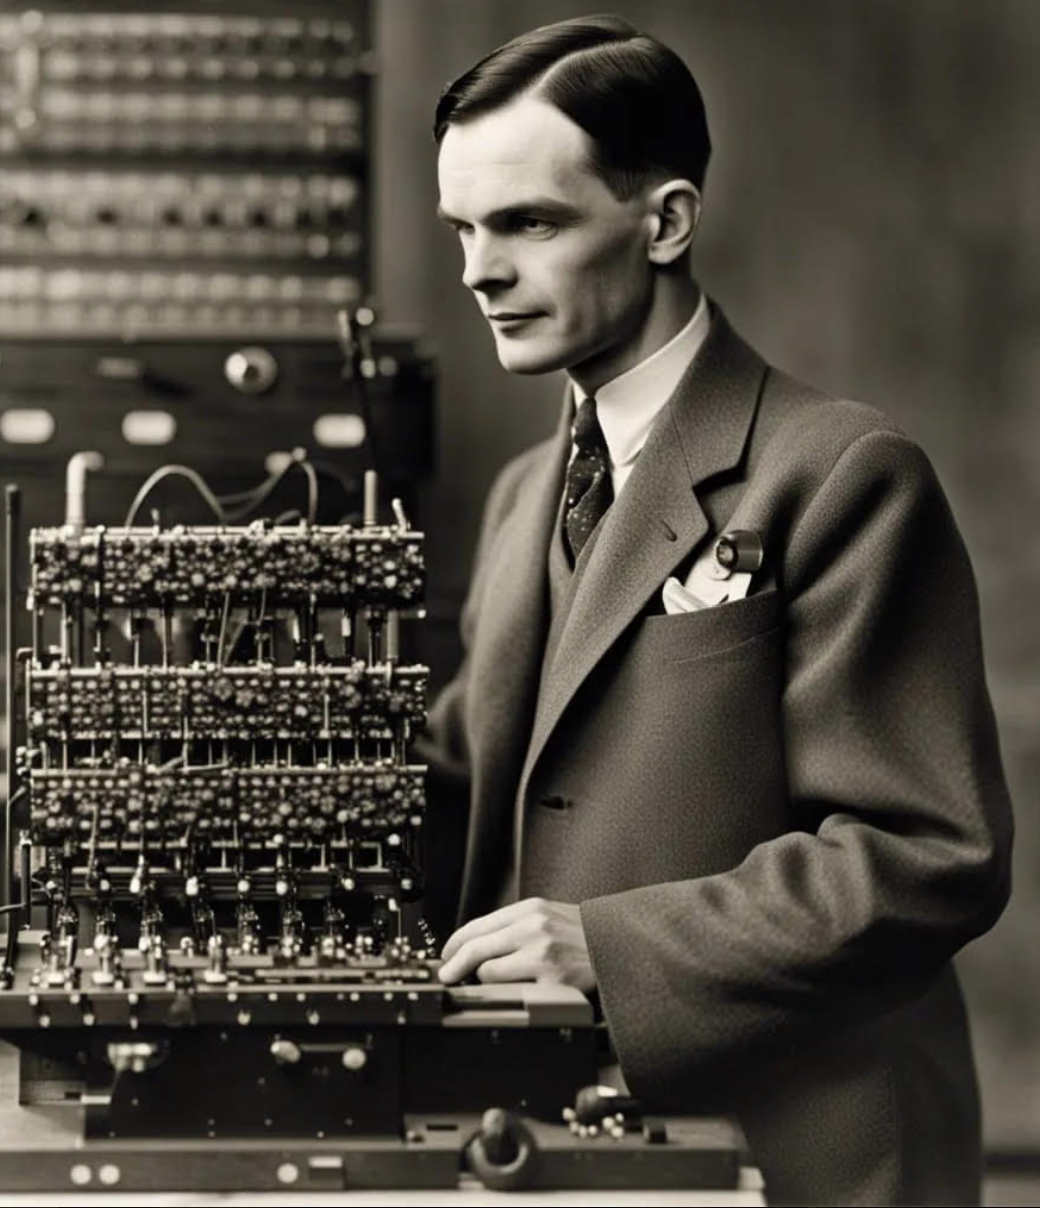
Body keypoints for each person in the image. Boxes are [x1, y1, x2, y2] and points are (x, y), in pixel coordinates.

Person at [418, 14, 1013, 1206]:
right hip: (556, 1138)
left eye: (530, 222)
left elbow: (925, 853)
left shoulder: (842, 473)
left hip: (799, 1152)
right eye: (464, 229)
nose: (481, 270)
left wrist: (610, 947)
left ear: (667, 222)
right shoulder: (527, 492)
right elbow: (470, 779)